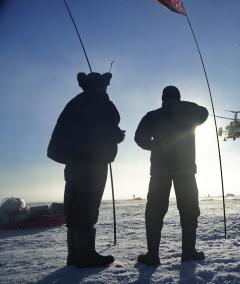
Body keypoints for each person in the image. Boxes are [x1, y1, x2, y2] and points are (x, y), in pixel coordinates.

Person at [47, 72, 125, 268]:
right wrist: (116, 136)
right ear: (100, 86)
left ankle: (74, 256)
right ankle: (86, 258)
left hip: (73, 167)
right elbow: (107, 126)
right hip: (93, 165)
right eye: (105, 86)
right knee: (87, 210)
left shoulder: (73, 104)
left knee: (74, 209)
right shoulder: (100, 102)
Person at [135, 86, 208, 266]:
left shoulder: (152, 116)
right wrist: (182, 106)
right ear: (178, 98)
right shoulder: (188, 113)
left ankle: (152, 256)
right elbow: (204, 113)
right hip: (185, 170)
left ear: (162, 98)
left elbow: (139, 138)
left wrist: (153, 146)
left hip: (160, 170)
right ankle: (188, 253)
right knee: (189, 210)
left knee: (154, 212)